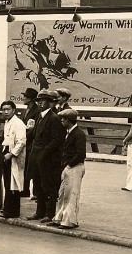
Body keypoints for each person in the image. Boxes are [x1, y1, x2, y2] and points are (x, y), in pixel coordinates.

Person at [28, 89, 66, 222]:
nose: (40, 103)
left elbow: (57, 140)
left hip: (48, 159)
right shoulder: (39, 116)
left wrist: (45, 151)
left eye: (43, 101)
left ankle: (50, 214)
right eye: (38, 101)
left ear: (50, 102)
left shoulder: (54, 118)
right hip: (37, 156)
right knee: (37, 185)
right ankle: (40, 212)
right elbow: (34, 135)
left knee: (48, 186)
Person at [49, 109, 86, 229]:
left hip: (74, 167)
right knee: (63, 194)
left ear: (68, 121)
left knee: (71, 195)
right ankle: (59, 218)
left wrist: (69, 164)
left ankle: (69, 221)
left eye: (63, 119)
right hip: (68, 167)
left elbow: (81, 154)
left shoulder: (78, 134)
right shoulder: (70, 132)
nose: (61, 121)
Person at [0, 100, 27, 219]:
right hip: (6, 152)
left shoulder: (18, 123)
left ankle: (13, 211)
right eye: (4, 109)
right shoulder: (7, 122)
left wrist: (11, 154)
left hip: (14, 156)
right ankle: (7, 208)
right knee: (7, 182)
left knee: (13, 183)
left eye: (8, 109)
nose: (6, 112)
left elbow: (21, 142)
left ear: (14, 110)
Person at [20, 87, 41, 197]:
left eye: (25, 97)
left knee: (30, 166)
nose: (23, 98)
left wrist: (24, 137)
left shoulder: (37, 111)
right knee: (24, 165)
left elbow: (33, 129)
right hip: (24, 141)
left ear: (31, 99)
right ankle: (24, 189)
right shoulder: (24, 111)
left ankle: (31, 191)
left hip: (31, 142)